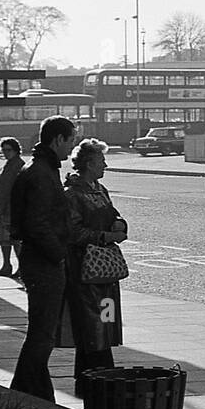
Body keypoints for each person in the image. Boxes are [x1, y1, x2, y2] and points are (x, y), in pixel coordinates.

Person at [9, 116, 78, 401]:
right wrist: (59, 254)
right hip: (43, 262)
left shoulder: (41, 168)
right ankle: (22, 394)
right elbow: (37, 223)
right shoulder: (40, 172)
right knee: (42, 334)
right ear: (58, 139)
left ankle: (36, 394)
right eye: (71, 140)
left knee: (42, 333)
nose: (72, 147)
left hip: (40, 259)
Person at [59, 138, 127, 392]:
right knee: (92, 322)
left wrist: (119, 223)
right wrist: (105, 237)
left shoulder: (100, 189)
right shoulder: (73, 195)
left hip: (105, 269)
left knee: (104, 320)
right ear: (88, 164)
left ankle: (91, 376)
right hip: (84, 269)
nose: (105, 165)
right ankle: (97, 375)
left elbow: (112, 214)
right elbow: (73, 232)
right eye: (101, 161)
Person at [0, 137, 25, 278]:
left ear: (16, 150)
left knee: (16, 240)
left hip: (14, 208)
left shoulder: (19, 166)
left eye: (8, 150)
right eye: (3, 150)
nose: (5, 153)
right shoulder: (7, 165)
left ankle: (21, 267)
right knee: (4, 240)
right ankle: (6, 265)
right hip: (4, 206)